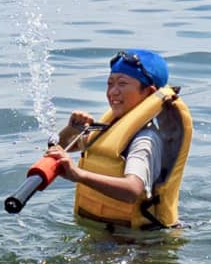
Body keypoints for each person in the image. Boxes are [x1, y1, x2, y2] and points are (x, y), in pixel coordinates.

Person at [43, 49, 193, 230]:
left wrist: (79, 175)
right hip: (105, 234)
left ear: (148, 92)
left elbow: (132, 190)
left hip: (138, 246)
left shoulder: (145, 140)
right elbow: (64, 147)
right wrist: (71, 129)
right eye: (109, 83)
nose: (112, 92)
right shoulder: (111, 127)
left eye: (122, 84)